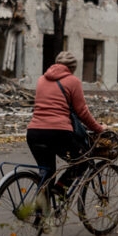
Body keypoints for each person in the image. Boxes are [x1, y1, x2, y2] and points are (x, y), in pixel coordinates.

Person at [26, 50, 105, 198]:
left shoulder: (41, 79)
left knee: (47, 173)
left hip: (34, 133)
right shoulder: (73, 81)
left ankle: (40, 213)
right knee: (83, 160)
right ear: (72, 68)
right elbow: (82, 112)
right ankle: (61, 188)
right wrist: (99, 129)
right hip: (58, 133)